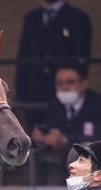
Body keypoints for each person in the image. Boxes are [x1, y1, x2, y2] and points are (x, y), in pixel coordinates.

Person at [16, 0, 92, 131]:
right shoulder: (31, 18)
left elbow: (81, 58)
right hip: (34, 91)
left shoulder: (78, 17)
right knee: (36, 134)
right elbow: (23, 57)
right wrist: (20, 90)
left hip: (63, 90)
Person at [31, 61, 101, 184]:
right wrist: (43, 136)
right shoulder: (54, 104)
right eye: (60, 83)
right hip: (61, 158)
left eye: (70, 82)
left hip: (93, 164)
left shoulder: (98, 104)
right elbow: (51, 128)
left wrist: (65, 139)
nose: (65, 87)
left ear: (84, 84)